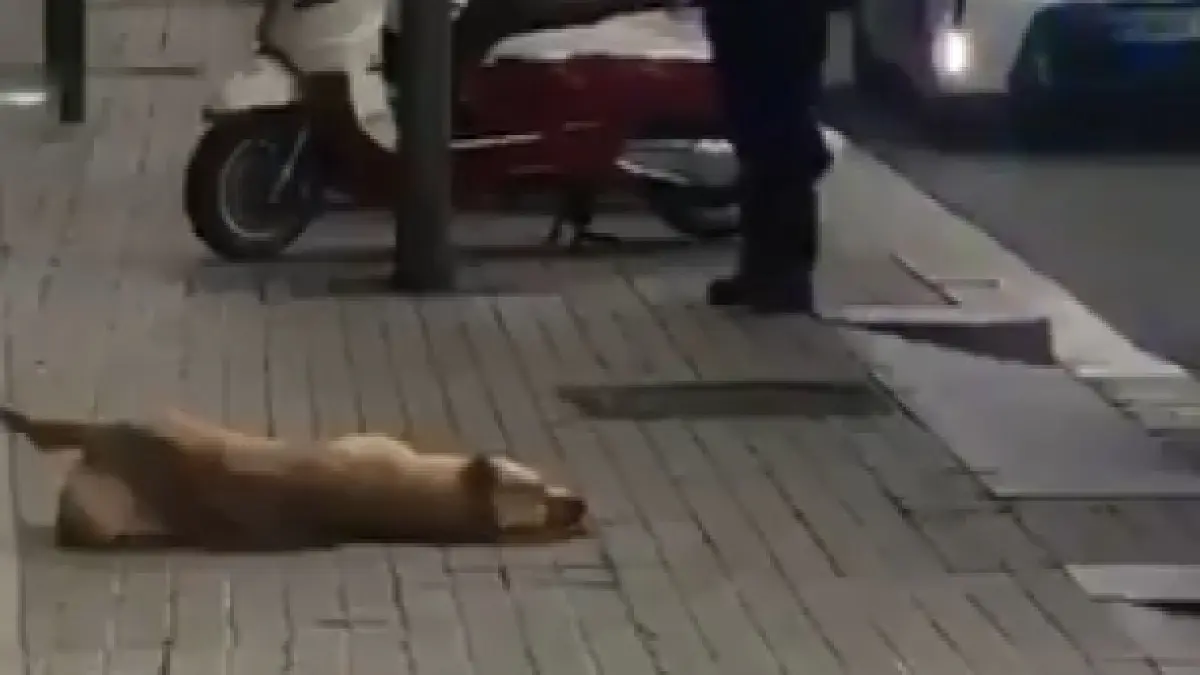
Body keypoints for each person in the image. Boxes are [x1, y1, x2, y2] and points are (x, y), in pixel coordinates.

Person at [698, 0, 831, 314]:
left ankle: (786, 279)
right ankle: (760, 271)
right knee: (757, 154)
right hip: (749, 40)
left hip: (780, 39)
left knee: (782, 153)